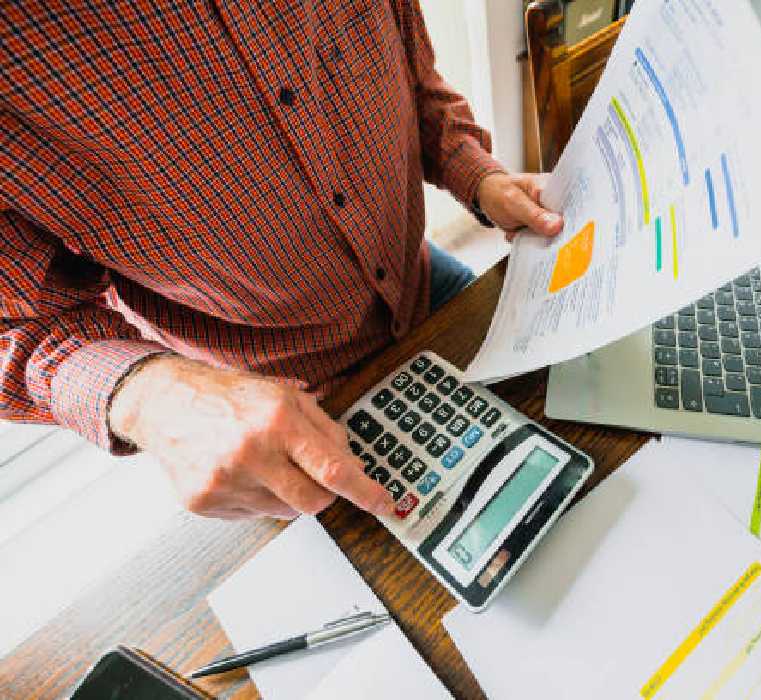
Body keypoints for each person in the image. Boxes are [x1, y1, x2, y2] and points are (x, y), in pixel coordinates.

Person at [0, 2, 563, 520]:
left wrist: (476, 173)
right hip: (279, 410)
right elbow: (16, 326)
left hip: (430, 290)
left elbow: (415, 80)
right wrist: (150, 396)